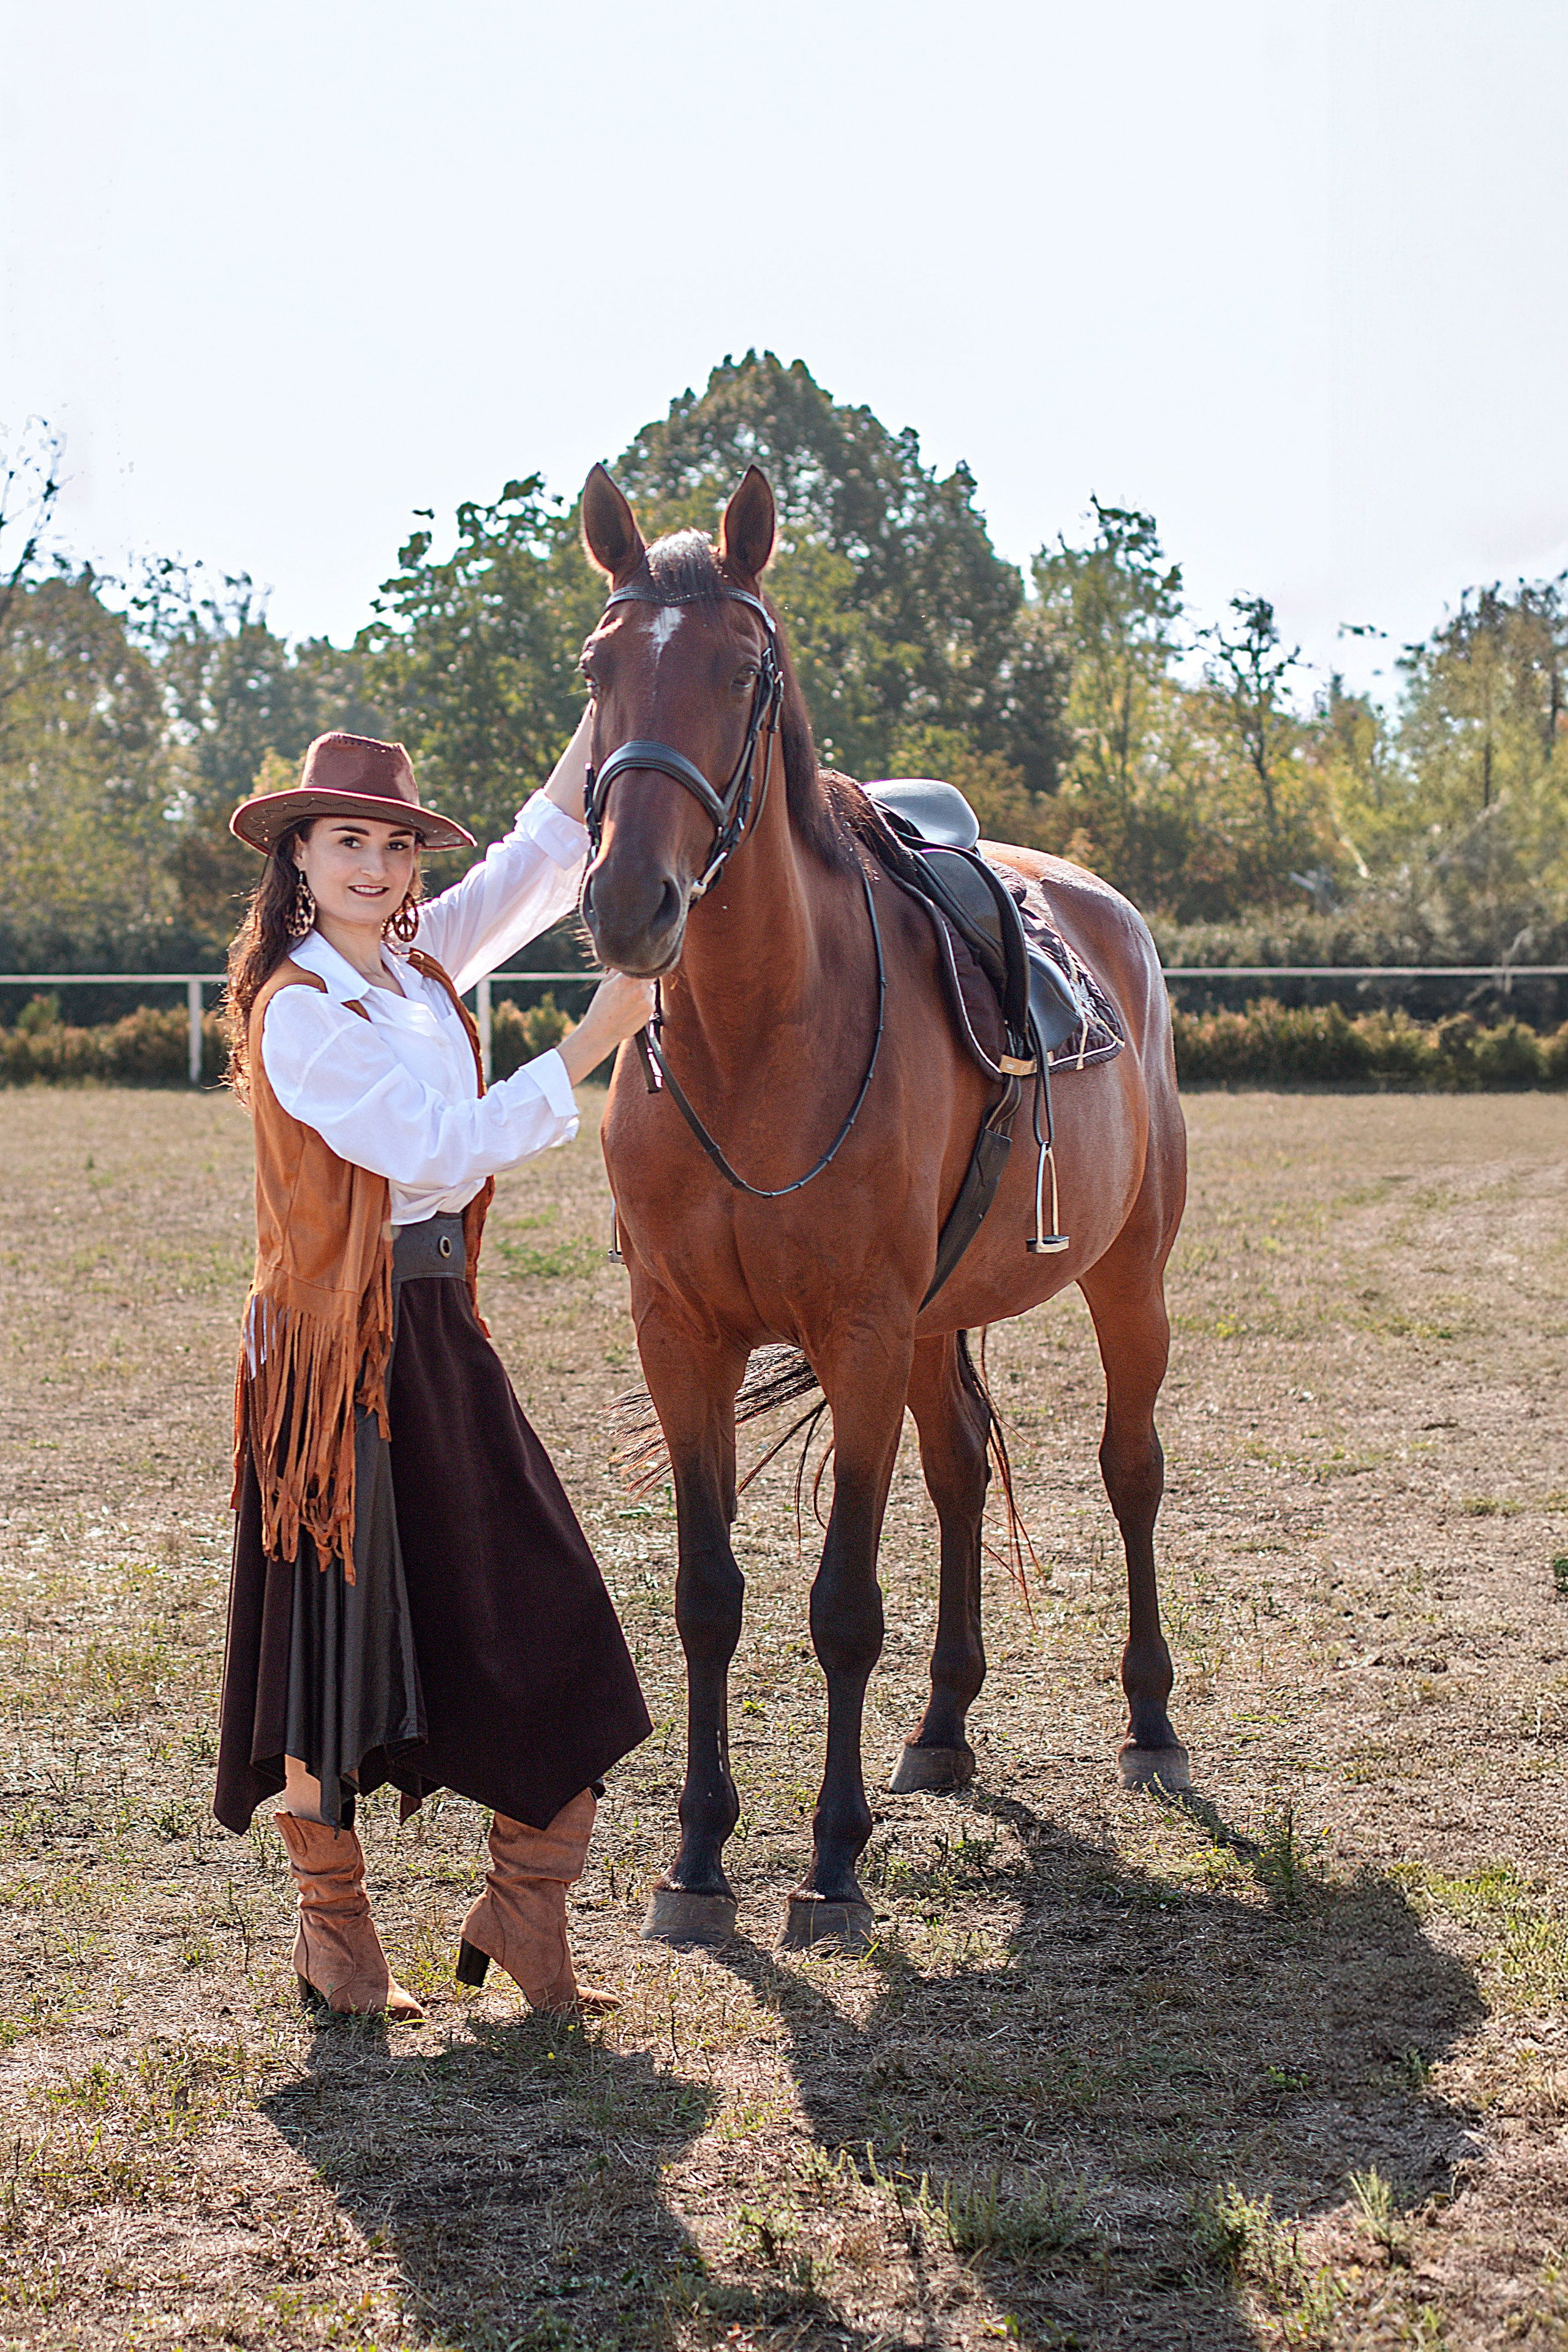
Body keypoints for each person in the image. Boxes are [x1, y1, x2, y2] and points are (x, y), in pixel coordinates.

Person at [214, 718, 655, 2022]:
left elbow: (532, 863)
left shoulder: (414, 971)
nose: (376, 865)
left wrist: (601, 721)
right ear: (297, 855)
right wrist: (589, 1043)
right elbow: (429, 1151)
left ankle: (522, 1909)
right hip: (335, 1357)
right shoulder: (300, 1011)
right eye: (347, 839)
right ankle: (336, 1939)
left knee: (545, 1603)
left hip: (435, 1332)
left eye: (396, 844)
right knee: (329, 1655)